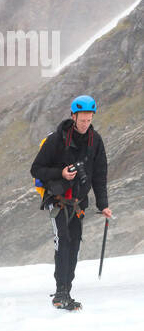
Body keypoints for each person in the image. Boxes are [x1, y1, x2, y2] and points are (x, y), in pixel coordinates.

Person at [30, 95, 111, 310]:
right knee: (63, 242)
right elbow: (36, 169)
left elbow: (100, 175)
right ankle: (60, 292)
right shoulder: (56, 139)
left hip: (78, 203)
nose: (85, 123)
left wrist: (103, 204)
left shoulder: (96, 141)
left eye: (89, 119)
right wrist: (61, 173)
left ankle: (67, 290)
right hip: (56, 201)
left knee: (74, 244)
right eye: (82, 119)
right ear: (73, 116)